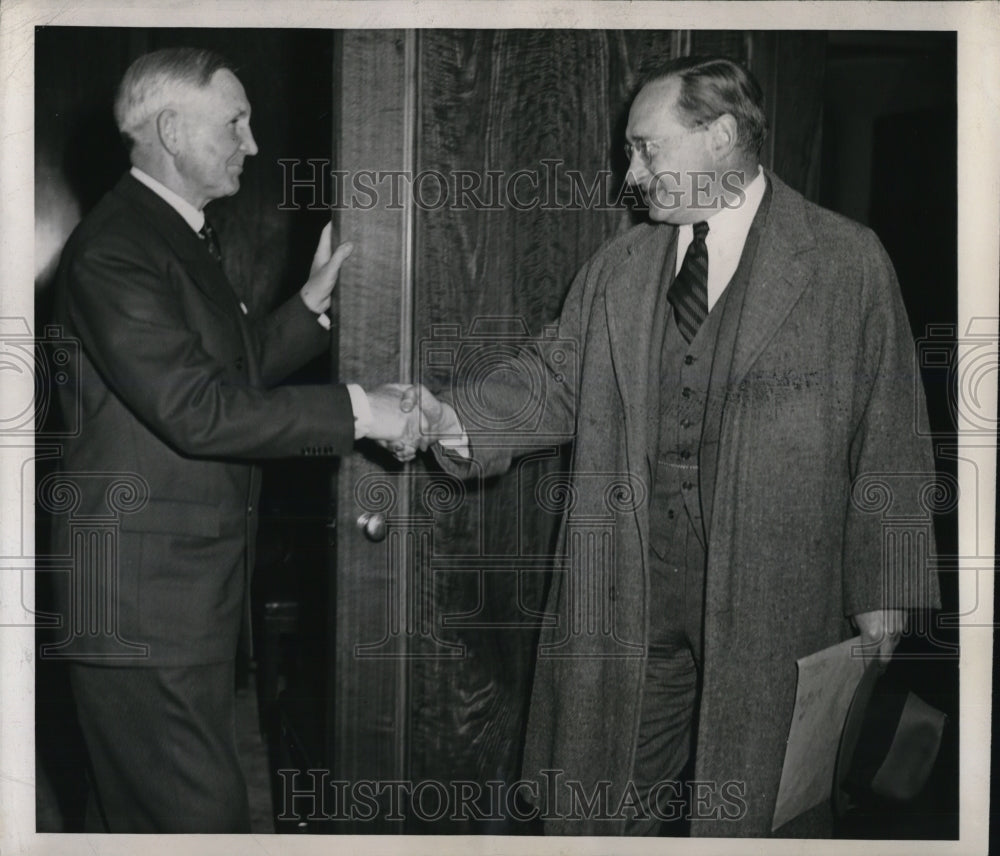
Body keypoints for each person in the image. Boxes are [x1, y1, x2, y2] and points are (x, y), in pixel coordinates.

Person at [390, 56, 940, 836]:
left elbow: (890, 434)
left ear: (720, 137)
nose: (630, 175)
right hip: (632, 591)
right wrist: (451, 417)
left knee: (756, 813)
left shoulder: (846, 262)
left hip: (777, 598)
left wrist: (884, 592)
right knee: (604, 807)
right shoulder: (620, 268)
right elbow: (550, 381)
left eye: (647, 149)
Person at [47, 47, 416, 833]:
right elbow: (198, 409)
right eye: (236, 123)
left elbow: (218, 371)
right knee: (194, 820)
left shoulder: (166, 233)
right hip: (140, 611)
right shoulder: (118, 250)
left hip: (171, 601)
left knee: (167, 817)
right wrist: (362, 410)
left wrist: (309, 309)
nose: (252, 143)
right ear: (173, 130)